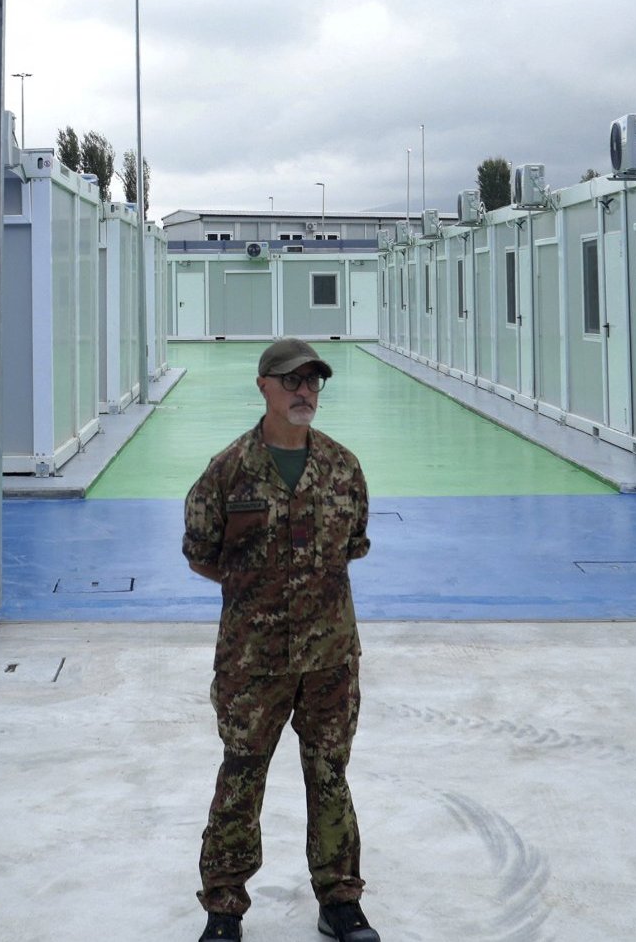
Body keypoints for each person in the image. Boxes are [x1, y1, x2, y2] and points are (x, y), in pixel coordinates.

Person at [183, 338, 380, 942]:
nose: (305, 393)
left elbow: (352, 547)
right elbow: (201, 552)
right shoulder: (227, 470)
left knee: (329, 775)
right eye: (293, 381)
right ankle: (223, 909)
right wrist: (260, 596)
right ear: (264, 385)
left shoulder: (343, 468)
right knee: (241, 775)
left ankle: (340, 902)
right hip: (252, 660)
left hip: (329, 660)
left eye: (314, 382)